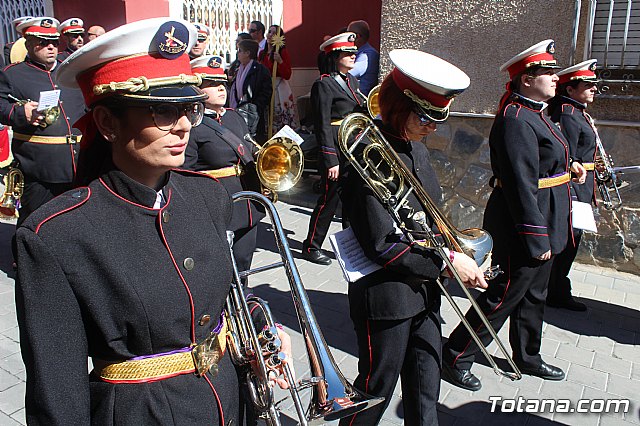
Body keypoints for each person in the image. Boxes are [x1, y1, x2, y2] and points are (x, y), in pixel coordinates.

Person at [15, 18, 291, 425]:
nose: (182, 125)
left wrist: (256, 325)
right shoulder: (54, 235)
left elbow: (223, 293)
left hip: (228, 402)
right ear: (108, 122)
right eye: (163, 111)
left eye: (188, 109)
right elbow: (57, 396)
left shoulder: (207, 195)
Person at [337, 49, 488, 426]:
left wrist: (454, 251)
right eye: (424, 117)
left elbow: (431, 219)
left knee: (425, 388)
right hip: (387, 296)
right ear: (398, 105)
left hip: (424, 290)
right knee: (375, 393)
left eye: (438, 119)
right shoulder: (364, 157)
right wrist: (450, 262)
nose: (432, 127)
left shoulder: (415, 149)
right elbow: (383, 244)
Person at [442, 40, 587, 391]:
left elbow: (545, 162)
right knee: (503, 293)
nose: (556, 78)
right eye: (548, 72)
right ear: (526, 79)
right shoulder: (516, 119)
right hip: (522, 220)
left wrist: (571, 167)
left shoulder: (537, 112)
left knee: (535, 293)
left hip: (546, 212)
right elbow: (522, 183)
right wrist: (536, 238)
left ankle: (528, 355)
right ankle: (456, 354)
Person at [186, 54, 265, 281]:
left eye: (223, 83)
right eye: (212, 84)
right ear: (197, 88)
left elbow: (248, 146)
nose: (221, 89)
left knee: (243, 267)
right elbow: (186, 175)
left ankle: (243, 309)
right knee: (221, 272)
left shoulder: (234, 117)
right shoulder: (192, 125)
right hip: (219, 206)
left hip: (249, 203)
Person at [0, 17, 84, 228]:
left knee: (76, 224)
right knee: (36, 225)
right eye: (43, 42)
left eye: (54, 42)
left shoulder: (70, 71)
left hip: (79, 163)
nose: (50, 47)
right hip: (39, 168)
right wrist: (19, 112)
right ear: (28, 43)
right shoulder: (13, 75)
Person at [301, 32, 365, 265]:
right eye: (348, 53)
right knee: (329, 201)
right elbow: (322, 123)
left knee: (352, 200)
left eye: (354, 52)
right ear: (335, 55)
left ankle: (351, 247)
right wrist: (330, 160)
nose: (352, 56)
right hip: (335, 151)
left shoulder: (353, 82)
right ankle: (311, 246)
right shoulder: (324, 84)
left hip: (352, 149)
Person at [546, 59, 600, 312]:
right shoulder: (567, 113)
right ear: (570, 89)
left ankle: (556, 288)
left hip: (583, 185)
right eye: (588, 85)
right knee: (568, 239)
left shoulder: (578, 112)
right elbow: (565, 154)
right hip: (573, 186)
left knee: (573, 240)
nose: (594, 89)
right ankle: (554, 290)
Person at [229, 39, 272, 141]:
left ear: (247, 53)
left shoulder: (260, 70)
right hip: (238, 109)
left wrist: (254, 107)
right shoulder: (238, 69)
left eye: (240, 50)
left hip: (253, 113)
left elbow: (266, 92)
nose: (237, 53)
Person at [259, 25, 297, 134]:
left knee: (280, 115)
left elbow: (287, 74)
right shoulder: (262, 54)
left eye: (274, 33)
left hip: (279, 88)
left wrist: (280, 61)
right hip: (266, 87)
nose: (270, 35)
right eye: (269, 32)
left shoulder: (282, 52)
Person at [346, 20, 379, 95]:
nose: (346, 39)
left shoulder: (367, 54)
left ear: (357, 36)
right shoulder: (359, 52)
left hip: (359, 101)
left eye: (348, 35)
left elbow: (348, 73)